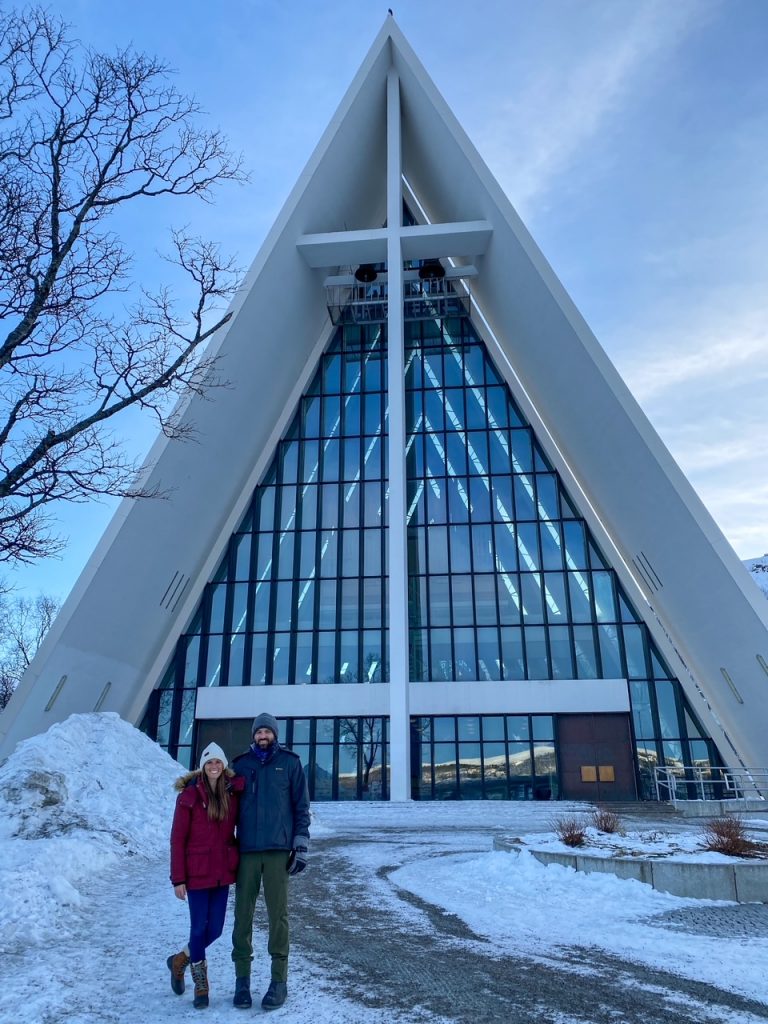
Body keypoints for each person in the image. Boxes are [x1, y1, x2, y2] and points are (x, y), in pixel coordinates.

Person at [231, 713, 310, 1011]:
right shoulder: (240, 766)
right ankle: (242, 981)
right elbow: (227, 811)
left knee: (278, 917)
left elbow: (301, 807)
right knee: (242, 916)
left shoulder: (290, 764)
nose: (263, 735)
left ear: (275, 734)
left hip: (278, 851)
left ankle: (279, 982)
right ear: (253, 735)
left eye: (267, 731)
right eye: (258, 731)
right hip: (247, 852)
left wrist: (300, 845)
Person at [168, 741, 244, 1009]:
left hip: (222, 871)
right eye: (209, 762)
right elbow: (178, 839)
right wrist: (178, 879)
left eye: (218, 762)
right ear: (203, 766)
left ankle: (180, 959)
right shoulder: (188, 797)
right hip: (197, 872)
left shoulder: (231, 795)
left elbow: (246, 782)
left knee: (216, 929)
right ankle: (200, 981)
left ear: (224, 766)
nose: (214, 766)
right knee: (199, 927)